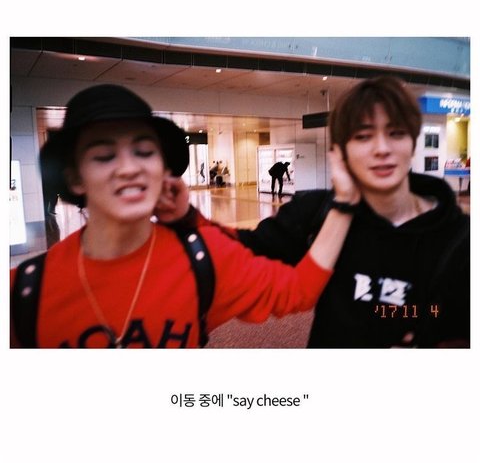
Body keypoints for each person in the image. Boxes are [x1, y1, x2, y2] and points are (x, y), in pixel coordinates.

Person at [10, 84, 359, 349]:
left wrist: (344, 202)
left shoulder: (202, 259)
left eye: (144, 151)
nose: (129, 168)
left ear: (163, 170)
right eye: (104, 155)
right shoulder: (24, 291)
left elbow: (296, 291)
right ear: (74, 177)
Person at [163, 75, 470, 348]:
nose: (381, 148)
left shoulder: (459, 238)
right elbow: (238, 253)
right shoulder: (314, 214)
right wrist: (187, 216)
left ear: (412, 143)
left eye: (396, 133)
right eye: (363, 136)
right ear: (340, 152)